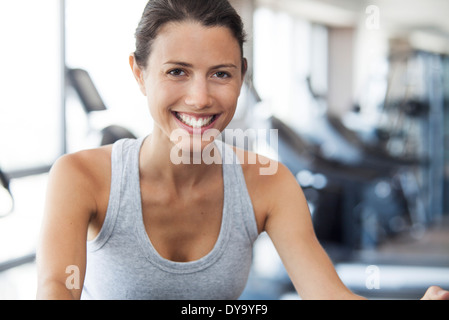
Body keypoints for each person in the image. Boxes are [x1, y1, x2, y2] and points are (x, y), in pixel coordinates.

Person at [36, 0, 449, 300]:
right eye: (176, 71)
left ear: (241, 77)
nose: (199, 98)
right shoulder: (81, 177)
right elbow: (57, 288)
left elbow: (328, 296)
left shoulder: (269, 184)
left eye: (220, 74)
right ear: (139, 73)